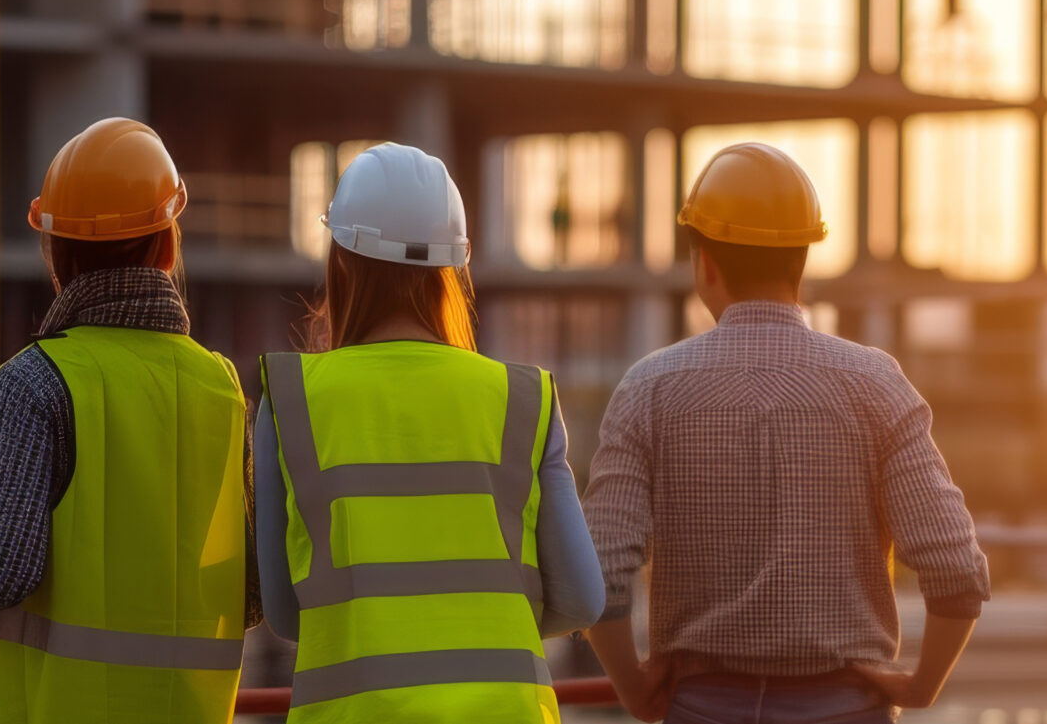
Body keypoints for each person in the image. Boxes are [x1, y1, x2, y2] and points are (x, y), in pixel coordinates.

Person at [583, 142, 990, 724]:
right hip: (846, 708)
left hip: (701, 707)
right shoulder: (875, 384)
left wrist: (633, 688)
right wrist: (921, 684)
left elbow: (601, 572)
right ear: (802, 259)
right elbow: (957, 570)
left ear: (705, 263)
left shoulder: (648, 389)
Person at [253, 142, 602, 724]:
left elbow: (287, 615)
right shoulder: (522, 397)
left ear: (341, 262)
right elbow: (585, 599)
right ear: (453, 271)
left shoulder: (292, 398)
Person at [0, 117, 254, 723]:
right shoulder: (222, 387)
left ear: (56, 253)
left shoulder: (35, 382)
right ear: (168, 246)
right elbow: (248, 597)